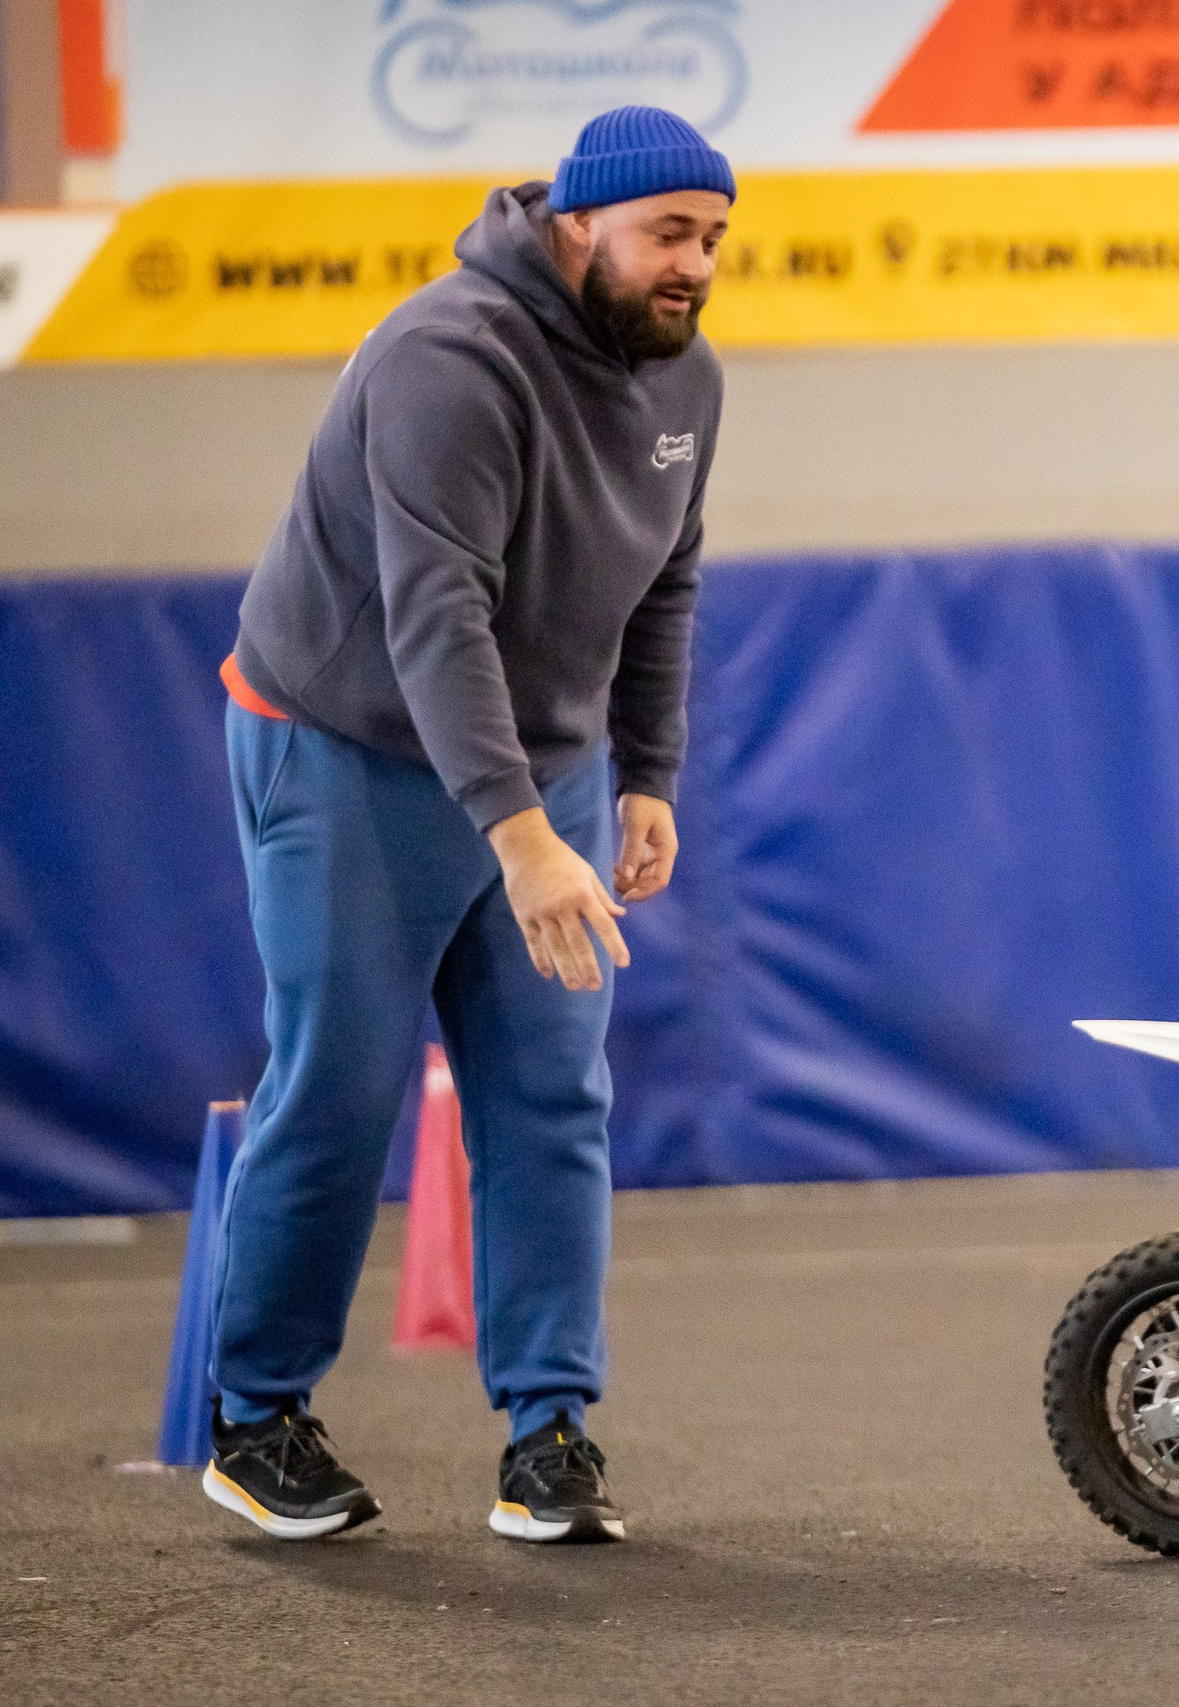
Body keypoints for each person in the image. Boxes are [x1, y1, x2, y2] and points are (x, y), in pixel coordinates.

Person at [200, 106, 732, 1543]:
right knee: (343, 1082)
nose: (695, 264)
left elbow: (664, 582)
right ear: (580, 224)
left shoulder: (685, 380)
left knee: (555, 1094)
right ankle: (253, 1414)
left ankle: (551, 1429)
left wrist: (642, 772)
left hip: (542, 764)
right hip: (346, 743)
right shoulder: (448, 358)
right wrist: (520, 833)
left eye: (714, 239)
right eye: (669, 233)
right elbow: (436, 617)